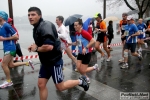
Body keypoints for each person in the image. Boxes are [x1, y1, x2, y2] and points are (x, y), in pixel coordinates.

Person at [27, 7, 89, 100]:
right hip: (45, 62)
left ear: (40, 16)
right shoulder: (36, 28)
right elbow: (40, 41)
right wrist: (34, 45)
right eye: (29, 15)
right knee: (41, 85)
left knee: (60, 87)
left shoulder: (45, 25)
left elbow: (49, 47)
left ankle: (80, 81)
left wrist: (36, 49)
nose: (30, 17)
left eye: (33, 14)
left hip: (54, 62)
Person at [0, 11, 34, 89]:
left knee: (3, 65)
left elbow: (16, 37)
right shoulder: (1, 26)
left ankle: (8, 81)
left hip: (10, 47)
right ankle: (27, 63)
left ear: (1, 17)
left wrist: (4, 38)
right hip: (6, 47)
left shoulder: (6, 25)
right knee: (11, 65)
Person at [70, 19, 100, 83]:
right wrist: (71, 43)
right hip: (80, 53)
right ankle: (86, 78)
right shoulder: (76, 33)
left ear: (80, 25)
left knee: (83, 70)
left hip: (87, 53)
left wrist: (86, 48)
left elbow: (93, 41)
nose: (74, 27)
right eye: (74, 25)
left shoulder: (84, 33)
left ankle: (95, 67)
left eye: (76, 25)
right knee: (78, 68)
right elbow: (78, 43)